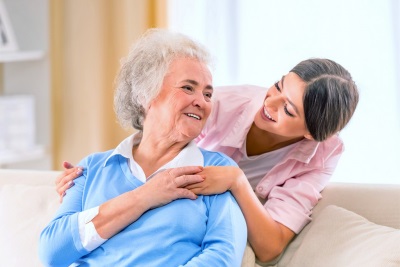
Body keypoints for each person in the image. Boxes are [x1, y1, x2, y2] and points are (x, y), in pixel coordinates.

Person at [56, 58, 359, 262]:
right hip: (175, 209)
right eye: (278, 86)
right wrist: (89, 176)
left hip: (219, 227)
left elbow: (271, 248)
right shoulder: (219, 104)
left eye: (289, 110)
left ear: (311, 134)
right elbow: (155, 148)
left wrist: (237, 181)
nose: (270, 103)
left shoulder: (324, 152)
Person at [39, 28, 247, 267]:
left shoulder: (216, 170)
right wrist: (146, 195)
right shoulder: (93, 167)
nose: (201, 101)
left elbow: (223, 256)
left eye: (208, 93)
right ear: (145, 94)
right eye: (188, 88)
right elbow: (52, 252)